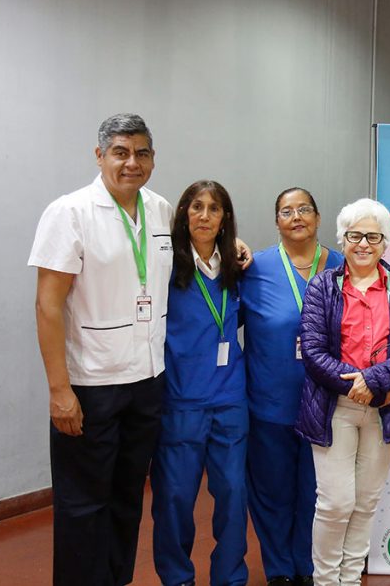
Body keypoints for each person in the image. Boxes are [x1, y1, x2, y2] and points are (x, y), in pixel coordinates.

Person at [29, 113, 252, 586]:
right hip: (91, 384)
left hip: (148, 384)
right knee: (83, 502)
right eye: (120, 152)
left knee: (127, 497)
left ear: (152, 159)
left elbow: (201, 240)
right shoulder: (70, 213)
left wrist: (236, 243)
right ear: (100, 155)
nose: (132, 162)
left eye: (141, 153)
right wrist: (59, 390)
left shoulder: (159, 209)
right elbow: (47, 306)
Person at [295, 198, 390, 586]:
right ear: (343, 239)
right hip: (332, 408)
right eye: (355, 236)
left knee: (366, 503)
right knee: (335, 503)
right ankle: (325, 581)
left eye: (373, 236)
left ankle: (350, 580)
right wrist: (357, 385)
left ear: (385, 242)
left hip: (384, 409)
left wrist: (376, 381)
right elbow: (313, 351)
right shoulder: (322, 286)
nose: (364, 244)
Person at [242, 187, 344, 586]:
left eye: (304, 209)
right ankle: (280, 570)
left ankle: (307, 566)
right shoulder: (255, 268)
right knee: (272, 490)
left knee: (316, 491)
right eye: (287, 211)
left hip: (328, 404)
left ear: (318, 218)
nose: (296, 216)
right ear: (276, 222)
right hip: (270, 403)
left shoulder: (342, 267)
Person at [151, 180, 248, 586]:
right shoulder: (165, 266)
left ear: (225, 218)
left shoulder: (238, 267)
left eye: (214, 208)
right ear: (183, 215)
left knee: (233, 494)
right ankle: (177, 579)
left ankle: (230, 578)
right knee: (174, 499)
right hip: (182, 400)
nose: (205, 216)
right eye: (196, 207)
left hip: (229, 399)